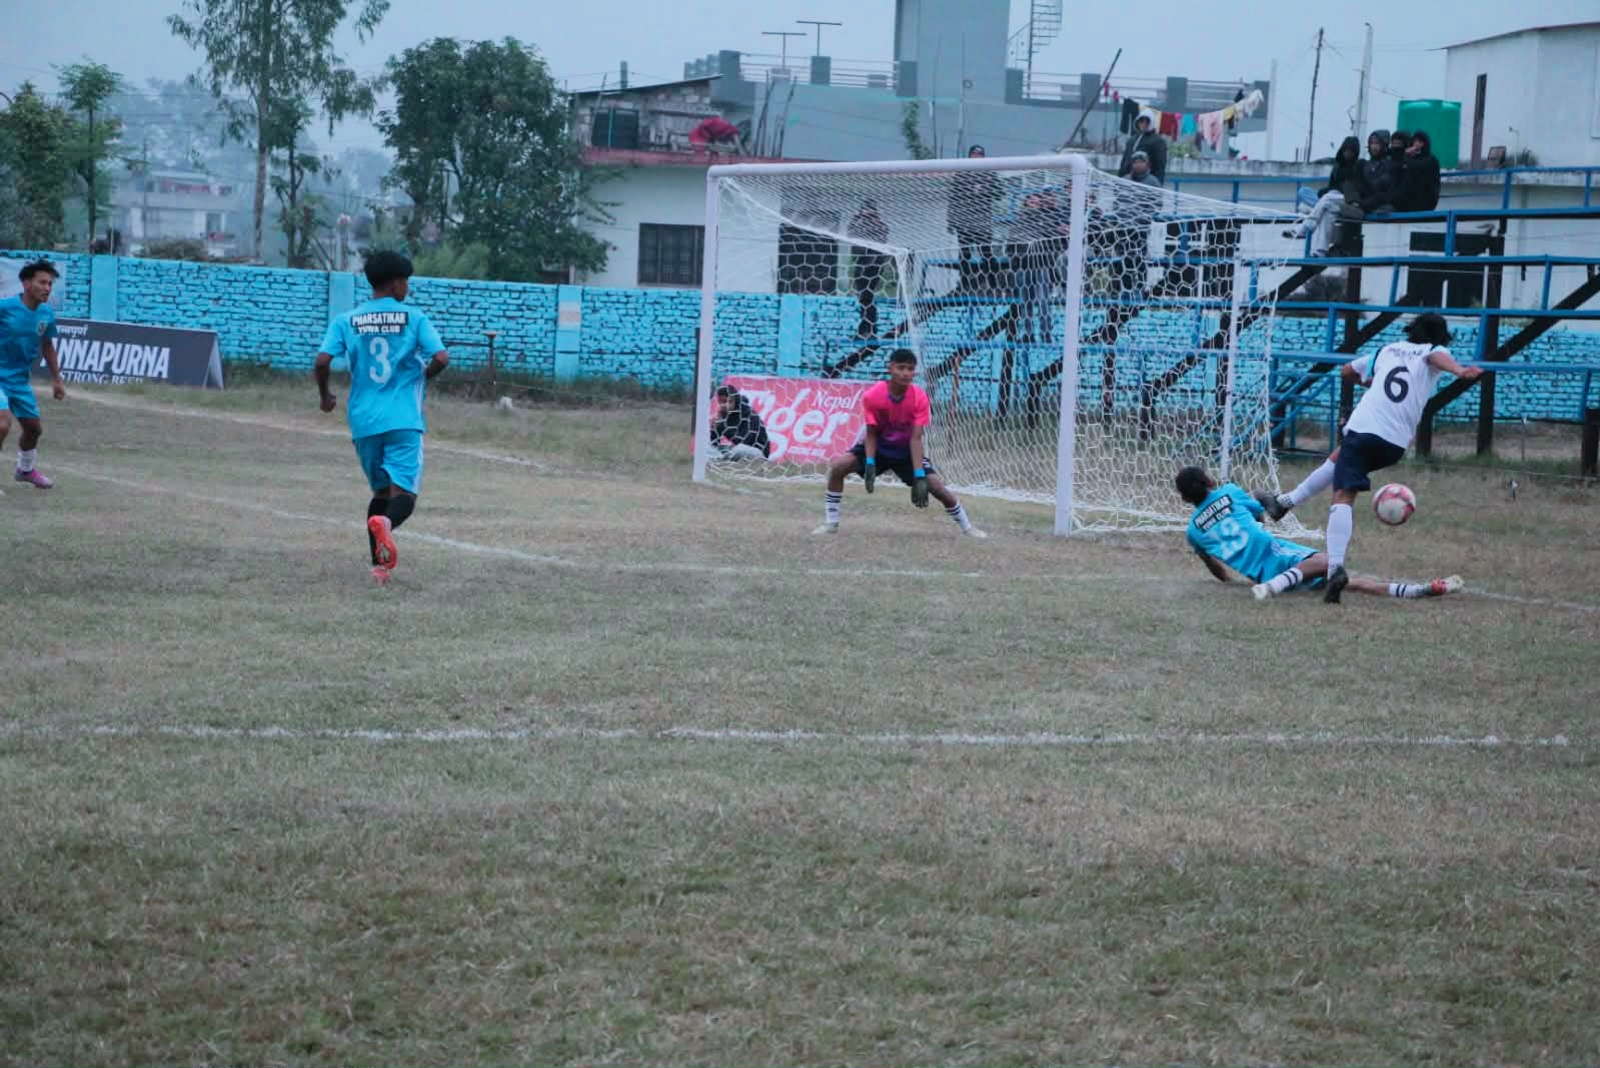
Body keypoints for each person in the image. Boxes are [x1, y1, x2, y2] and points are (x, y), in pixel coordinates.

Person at [1255, 312, 1486, 603]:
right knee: (1338, 459)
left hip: (1365, 429)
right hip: (1395, 444)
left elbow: (1347, 371)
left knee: (1342, 496)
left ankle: (1335, 570)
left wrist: (1372, 383)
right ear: (1441, 337)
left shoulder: (1388, 350)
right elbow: (1435, 358)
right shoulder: (1433, 351)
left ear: (1411, 330)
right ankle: (1283, 503)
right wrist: (1458, 370)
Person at [315, 251, 450, 585]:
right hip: (403, 419)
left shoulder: (347, 320)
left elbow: (322, 361)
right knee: (403, 497)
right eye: (406, 282)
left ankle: (380, 568)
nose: (408, 288)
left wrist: (325, 395)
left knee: (380, 494)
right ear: (395, 283)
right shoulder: (414, 317)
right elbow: (442, 357)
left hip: (364, 422)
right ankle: (387, 525)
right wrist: (423, 375)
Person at [1177, 466, 1463, 603]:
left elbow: (1214, 566)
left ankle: (1418, 591)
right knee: (1330, 562)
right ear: (1209, 480)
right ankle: (1274, 586)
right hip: (1273, 552)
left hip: (1258, 572)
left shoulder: (1193, 532)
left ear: (1185, 498)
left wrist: (1228, 581)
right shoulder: (1228, 492)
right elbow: (1258, 515)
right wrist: (1260, 513)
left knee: (1347, 581)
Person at [815, 348, 985, 538]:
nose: (905, 373)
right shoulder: (873, 395)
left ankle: (967, 527)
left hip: (905, 452)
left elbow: (916, 438)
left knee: (936, 486)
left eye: (910, 369)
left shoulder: (919, 397)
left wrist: (919, 475)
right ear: (890, 368)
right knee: (838, 467)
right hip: (878, 448)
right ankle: (831, 523)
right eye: (901, 368)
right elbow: (871, 432)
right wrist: (869, 462)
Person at [0, 260, 67, 489]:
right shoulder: (5, 307)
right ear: (27, 284)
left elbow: (47, 345)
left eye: (50, 284)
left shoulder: (46, 313)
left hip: (19, 380)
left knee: (33, 429)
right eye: (42, 283)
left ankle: (25, 470)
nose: (47, 288)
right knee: (2, 424)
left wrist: (56, 379)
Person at [1284, 136, 1365, 256]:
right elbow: (1332, 186)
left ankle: (1304, 228)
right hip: (1333, 200)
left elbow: (1350, 189)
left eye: (1351, 151)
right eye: (1346, 150)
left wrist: (1329, 191)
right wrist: (1327, 191)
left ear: (1355, 152)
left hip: (1348, 201)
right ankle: (1320, 251)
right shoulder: (1337, 167)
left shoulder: (1358, 167)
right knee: (1308, 194)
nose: (1348, 153)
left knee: (1328, 197)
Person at [1009, 189, 1069, 344]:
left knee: (1043, 302)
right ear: (1026, 203)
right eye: (1031, 202)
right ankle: (1028, 334)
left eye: (1037, 202)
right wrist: (1015, 263)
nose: (1034, 204)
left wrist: (1050, 259)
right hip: (1024, 268)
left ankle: (1045, 333)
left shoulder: (1047, 221)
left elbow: (1056, 242)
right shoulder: (1019, 222)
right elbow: (1011, 245)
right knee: (1025, 303)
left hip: (1042, 267)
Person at [947, 146, 1002, 288]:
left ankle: (994, 284)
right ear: (969, 156)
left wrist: (991, 184)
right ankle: (963, 283)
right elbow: (953, 198)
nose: (977, 157)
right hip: (964, 222)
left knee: (986, 254)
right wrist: (951, 221)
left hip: (982, 223)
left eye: (980, 154)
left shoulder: (989, 173)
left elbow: (1000, 194)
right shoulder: (961, 174)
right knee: (965, 254)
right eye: (974, 154)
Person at [848, 199, 890, 338]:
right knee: (863, 298)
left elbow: (883, 237)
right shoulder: (859, 223)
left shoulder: (879, 224)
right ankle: (865, 329)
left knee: (867, 297)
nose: (867, 213)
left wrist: (873, 220)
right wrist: (857, 218)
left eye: (869, 210)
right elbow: (850, 233)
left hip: (873, 264)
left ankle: (869, 329)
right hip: (862, 262)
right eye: (864, 210)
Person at [710, 385, 771, 461]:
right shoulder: (723, 414)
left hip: (757, 452)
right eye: (721, 402)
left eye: (728, 401)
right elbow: (715, 443)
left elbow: (745, 440)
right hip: (735, 450)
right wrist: (714, 429)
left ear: (735, 401)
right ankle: (719, 459)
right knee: (708, 448)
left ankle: (721, 459)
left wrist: (723, 426)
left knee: (739, 449)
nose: (724, 405)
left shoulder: (749, 414)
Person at [1357, 129, 1403, 215]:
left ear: (1384, 145)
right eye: (1372, 143)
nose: (1374, 147)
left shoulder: (1391, 164)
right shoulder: (1364, 165)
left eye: (1377, 143)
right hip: (1364, 203)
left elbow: (1383, 186)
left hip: (1382, 205)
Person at [1395, 130, 1442, 213]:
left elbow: (1416, 167)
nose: (1416, 144)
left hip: (1426, 200)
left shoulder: (1431, 159)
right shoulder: (1412, 158)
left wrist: (1406, 155)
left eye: (1420, 142)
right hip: (1409, 201)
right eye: (1415, 141)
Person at [1119, 108, 1168, 183]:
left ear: (1152, 122)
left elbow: (1160, 166)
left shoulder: (1158, 141)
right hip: (1128, 181)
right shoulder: (1132, 140)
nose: (1144, 124)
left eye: (1147, 121)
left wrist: (1157, 185)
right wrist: (1119, 180)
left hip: (1147, 182)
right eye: (1141, 121)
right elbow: (1124, 162)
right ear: (1137, 121)